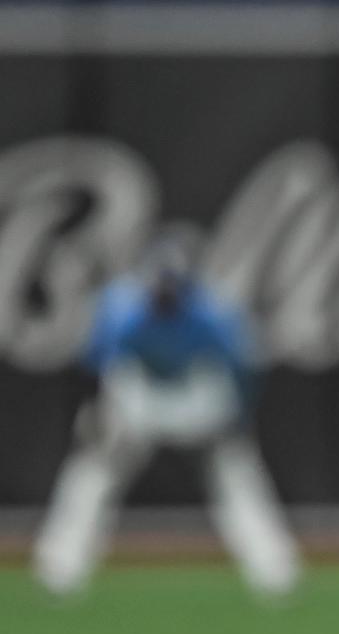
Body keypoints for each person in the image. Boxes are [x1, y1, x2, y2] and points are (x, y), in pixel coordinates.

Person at [33, 232, 301, 597]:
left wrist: (237, 419)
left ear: (188, 285)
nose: (165, 293)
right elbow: (94, 368)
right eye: (160, 285)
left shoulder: (213, 313)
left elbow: (243, 369)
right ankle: (61, 565)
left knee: (234, 472)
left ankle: (273, 568)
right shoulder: (120, 308)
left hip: (194, 398)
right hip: (141, 395)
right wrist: (95, 413)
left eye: (173, 286)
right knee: (93, 468)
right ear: (146, 281)